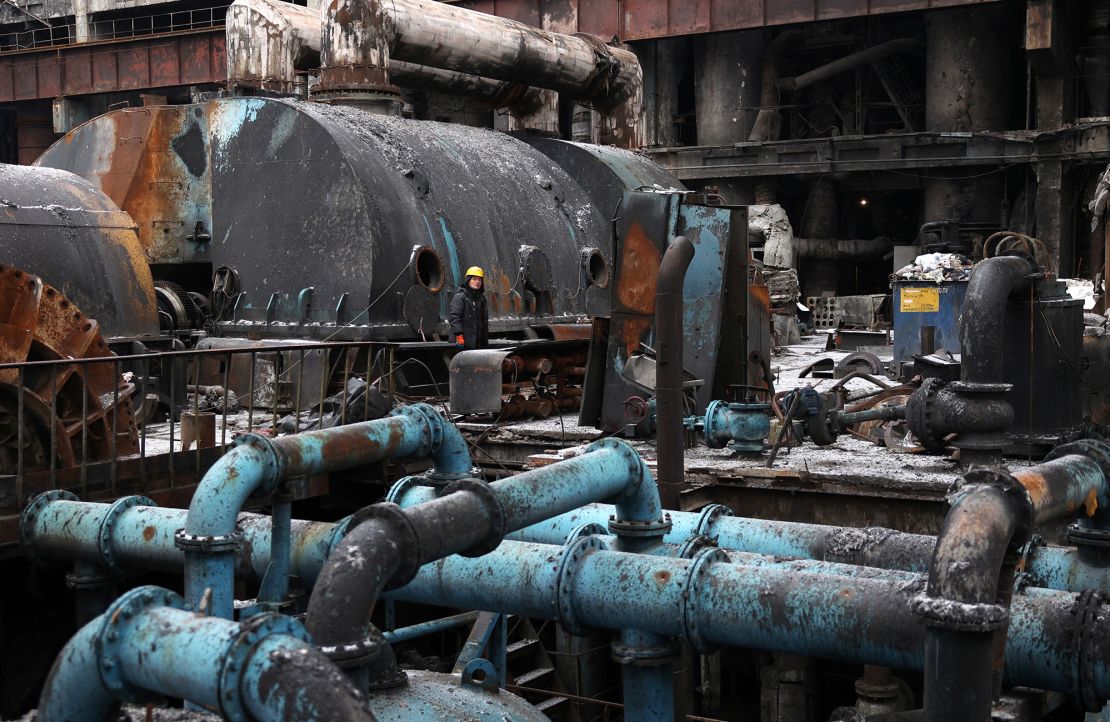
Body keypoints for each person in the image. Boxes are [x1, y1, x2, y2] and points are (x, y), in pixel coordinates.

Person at [449, 266, 489, 349]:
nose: (477, 282)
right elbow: (454, 317)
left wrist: (484, 341)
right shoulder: (460, 296)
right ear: (468, 280)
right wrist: (459, 336)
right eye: (474, 279)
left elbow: (483, 321)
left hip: (477, 343)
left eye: (479, 279)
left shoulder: (481, 299)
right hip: (463, 343)